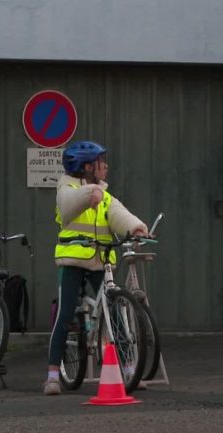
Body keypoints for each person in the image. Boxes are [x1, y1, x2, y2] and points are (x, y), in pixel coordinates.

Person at [45, 140, 148, 396]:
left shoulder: (104, 195)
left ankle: (129, 370)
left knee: (115, 310)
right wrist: (90, 193)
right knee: (65, 314)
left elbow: (119, 213)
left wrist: (136, 228)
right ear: (88, 167)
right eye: (101, 162)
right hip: (72, 260)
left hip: (101, 260)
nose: (106, 166)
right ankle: (52, 375)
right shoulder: (66, 187)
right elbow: (68, 205)